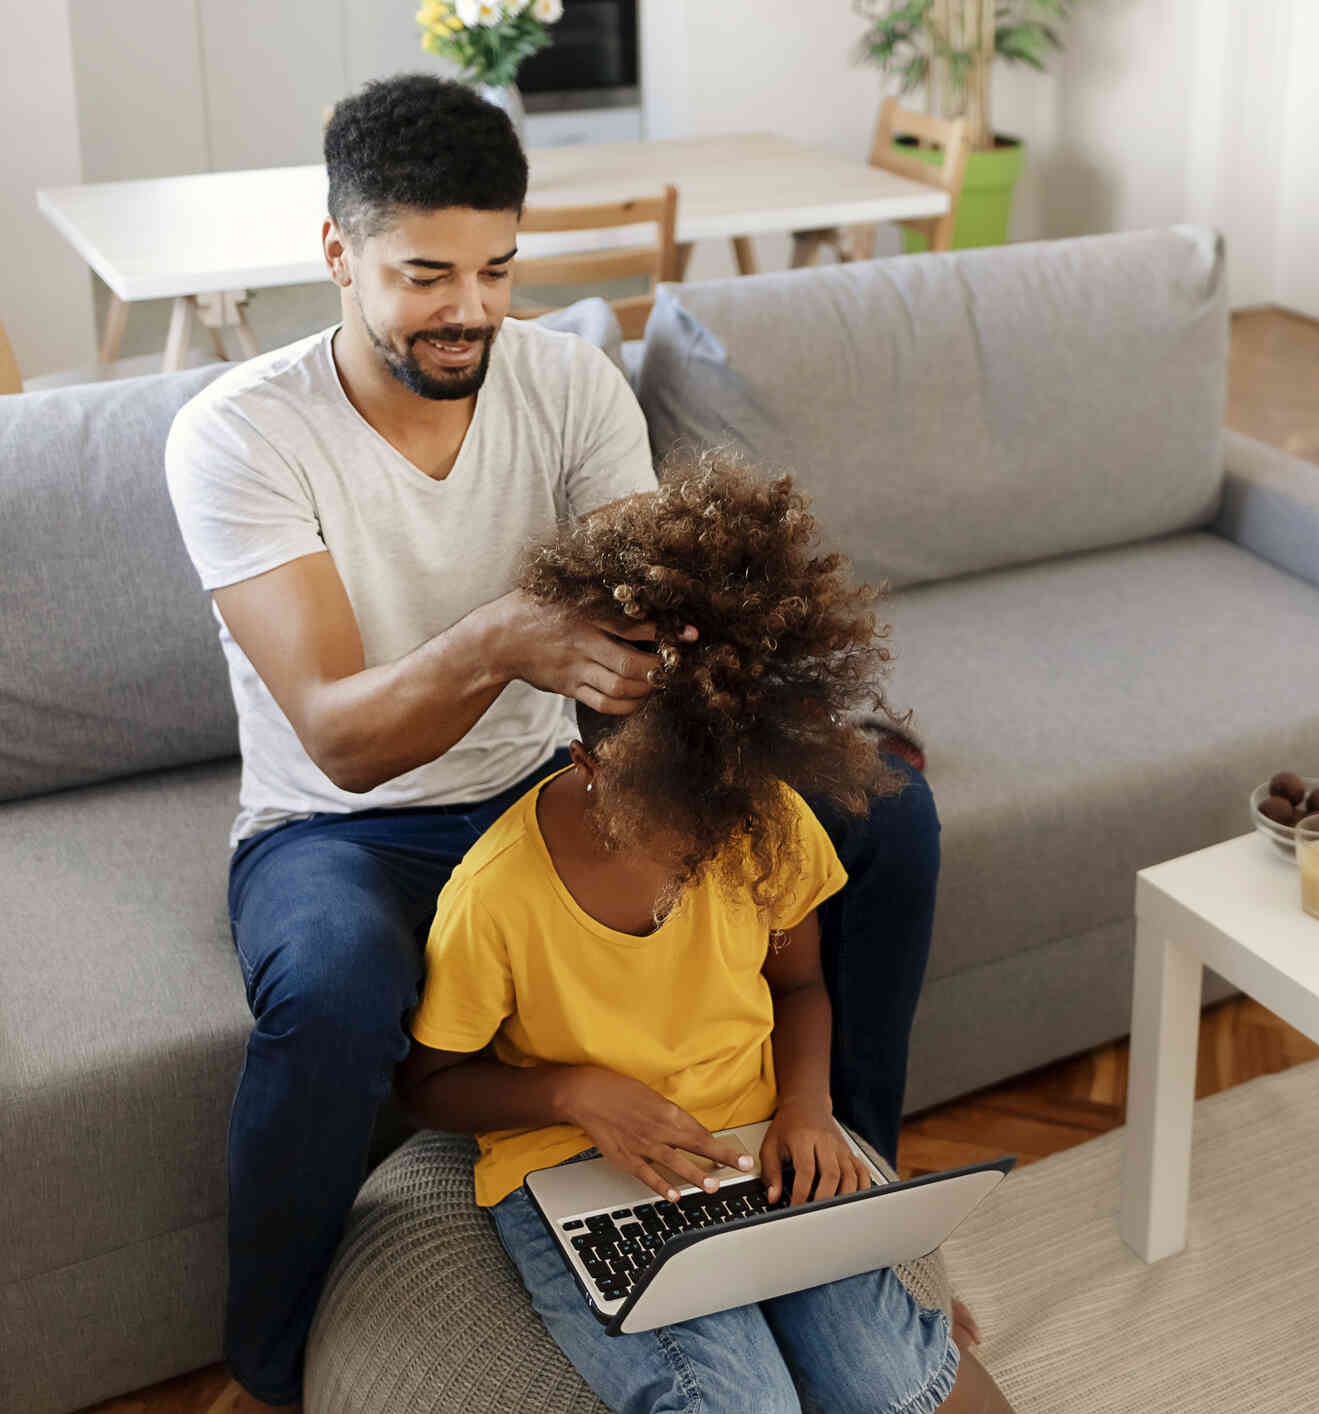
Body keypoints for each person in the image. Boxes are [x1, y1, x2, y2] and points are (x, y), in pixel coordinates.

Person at [164, 74, 943, 1412]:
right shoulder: (241, 432)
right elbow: (342, 738)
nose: (469, 307)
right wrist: (499, 638)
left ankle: (839, 1219)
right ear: (338, 252)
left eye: (498, 269)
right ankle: (274, 1355)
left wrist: (760, 717)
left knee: (886, 818)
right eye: (425, 274)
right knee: (338, 978)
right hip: (344, 826)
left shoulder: (569, 382)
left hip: (554, 778)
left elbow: (649, 623)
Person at [395, 455, 1010, 1413]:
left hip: (758, 1142)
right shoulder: (497, 896)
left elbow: (799, 987)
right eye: (675, 829)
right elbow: (427, 1086)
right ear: (585, 769)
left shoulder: (754, 817)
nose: (703, 855)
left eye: (721, 822)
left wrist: (808, 1111)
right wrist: (572, 1090)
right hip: (575, 1170)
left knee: (898, 1387)